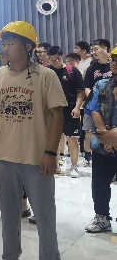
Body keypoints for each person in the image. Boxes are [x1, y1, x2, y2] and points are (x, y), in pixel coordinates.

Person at [0, 21, 66, 260]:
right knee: (9, 216)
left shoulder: (46, 76)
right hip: (3, 156)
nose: (5, 48)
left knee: (44, 217)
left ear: (27, 46)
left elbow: (57, 115)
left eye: (10, 43)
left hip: (36, 158)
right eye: (3, 43)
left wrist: (51, 152)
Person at [82, 49, 117, 233]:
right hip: (103, 145)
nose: (115, 62)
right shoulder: (101, 84)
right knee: (99, 183)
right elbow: (93, 109)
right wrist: (106, 137)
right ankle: (102, 217)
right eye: (114, 59)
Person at [47, 46, 85, 178]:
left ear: (62, 57)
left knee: (72, 138)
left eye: (56, 59)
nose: (54, 62)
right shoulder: (47, 71)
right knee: (54, 139)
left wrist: (77, 107)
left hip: (70, 108)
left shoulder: (72, 71)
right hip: (53, 109)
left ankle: (74, 167)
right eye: (51, 59)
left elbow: (80, 92)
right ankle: (55, 165)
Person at [83, 39, 112, 167]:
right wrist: (94, 99)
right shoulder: (92, 68)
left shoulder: (113, 65)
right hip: (94, 105)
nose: (93, 52)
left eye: (96, 49)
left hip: (110, 105)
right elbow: (87, 86)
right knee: (92, 132)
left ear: (105, 49)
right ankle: (90, 157)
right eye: (92, 50)